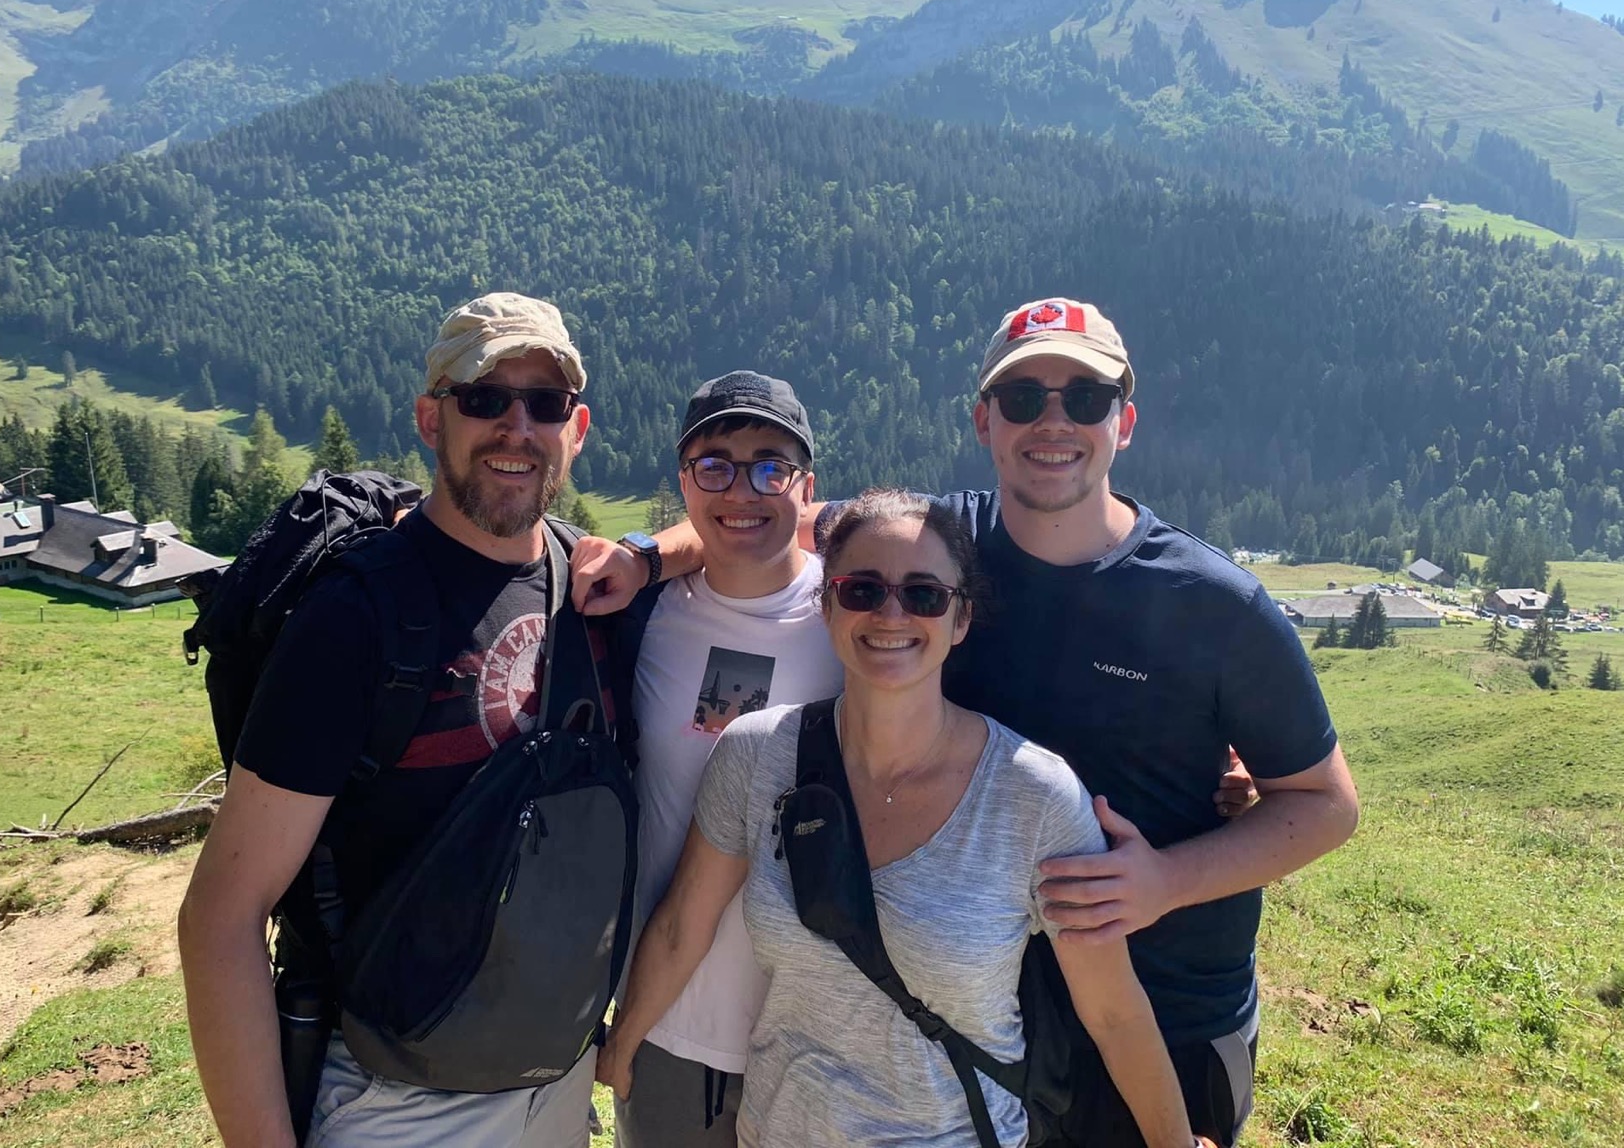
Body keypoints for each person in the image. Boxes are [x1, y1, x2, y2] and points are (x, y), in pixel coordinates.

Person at [573, 297, 1359, 1146]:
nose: (1052, 421)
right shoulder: (942, 541)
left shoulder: (1212, 603)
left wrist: (1165, 880)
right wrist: (644, 556)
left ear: (1124, 421)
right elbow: (766, 520)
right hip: (970, 1012)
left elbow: (1328, 805)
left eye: (1084, 398)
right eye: (1022, 398)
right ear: (986, 420)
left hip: (1158, 1006)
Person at [598, 489, 1212, 1148]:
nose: (891, 614)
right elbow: (682, 923)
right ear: (827, 604)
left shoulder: (1034, 797)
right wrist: (620, 1047)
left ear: (961, 618)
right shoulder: (757, 755)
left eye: (924, 595)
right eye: (862, 590)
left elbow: (1114, 1014)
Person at [180, 292, 608, 1148]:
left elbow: (791, 540)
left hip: (557, 1077)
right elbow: (220, 919)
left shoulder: (593, 584)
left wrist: (659, 551)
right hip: (399, 1101)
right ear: (430, 418)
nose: (517, 427)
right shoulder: (356, 616)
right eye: (485, 398)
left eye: (544, 402)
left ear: (578, 427)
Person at [607, 370, 843, 1147]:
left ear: (807, 488)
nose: (743, 490)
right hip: (668, 1025)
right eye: (715, 466)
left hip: (821, 1039)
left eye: (772, 467)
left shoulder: (860, 618)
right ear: (684, 483)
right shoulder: (637, 615)